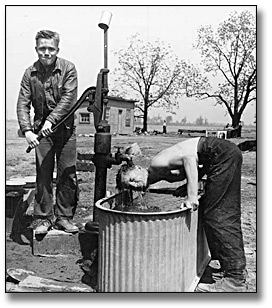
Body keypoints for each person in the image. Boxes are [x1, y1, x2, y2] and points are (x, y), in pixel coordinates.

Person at [119, 136, 247, 292]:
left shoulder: (157, 164)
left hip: (221, 155)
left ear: (139, 169)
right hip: (221, 155)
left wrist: (191, 195)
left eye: (132, 179)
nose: (135, 185)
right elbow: (197, 162)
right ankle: (232, 269)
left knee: (218, 216)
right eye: (130, 186)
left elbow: (189, 158)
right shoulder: (158, 174)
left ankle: (234, 280)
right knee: (216, 212)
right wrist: (187, 186)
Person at [17, 30, 79, 234]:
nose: (46, 52)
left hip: (66, 131)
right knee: (43, 175)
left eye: (50, 49)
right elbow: (23, 103)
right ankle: (44, 219)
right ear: (36, 49)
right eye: (42, 48)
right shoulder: (29, 73)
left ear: (57, 50)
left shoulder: (68, 69)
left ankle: (64, 217)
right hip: (41, 134)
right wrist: (27, 130)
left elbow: (68, 99)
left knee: (67, 174)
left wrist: (51, 120)